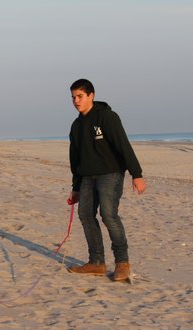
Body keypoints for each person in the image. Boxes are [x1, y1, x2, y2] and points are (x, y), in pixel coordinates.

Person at [66, 78, 146, 282]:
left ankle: (123, 263)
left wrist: (136, 174)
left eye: (80, 96)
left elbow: (123, 145)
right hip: (86, 177)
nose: (76, 101)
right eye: (73, 97)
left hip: (110, 174)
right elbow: (75, 160)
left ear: (91, 96)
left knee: (109, 215)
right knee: (85, 214)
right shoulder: (76, 126)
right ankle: (97, 262)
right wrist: (75, 188)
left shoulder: (107, 117)